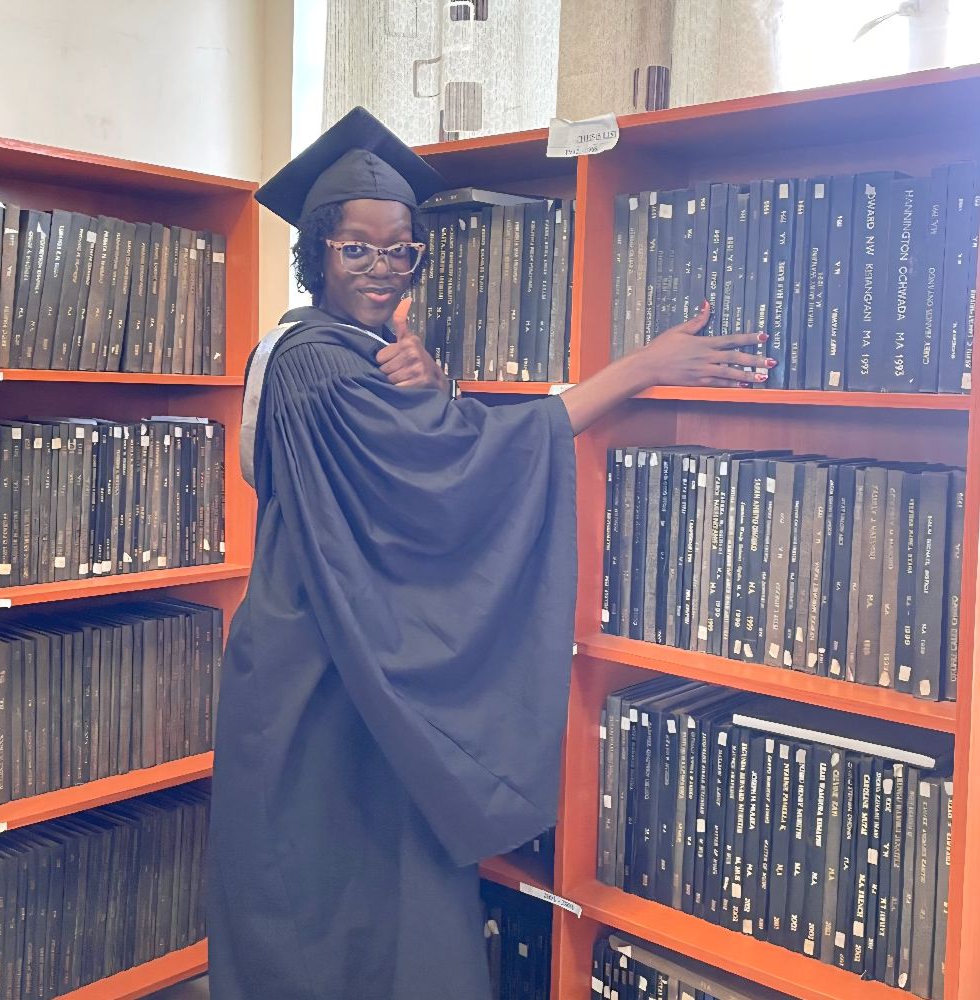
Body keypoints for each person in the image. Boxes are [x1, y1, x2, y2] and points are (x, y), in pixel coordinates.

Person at [207, 107, 771, 1000]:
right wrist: (638, 369)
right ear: (316, 254)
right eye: (356, 249)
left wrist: (435, 388)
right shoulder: (317, 364)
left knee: (383, 902)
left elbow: (426, 456)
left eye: (401, 251)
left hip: (356, 647)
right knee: (323, 905)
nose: (382, 268)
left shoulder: (363, 353)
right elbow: (449, 476)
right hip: (324, 675)